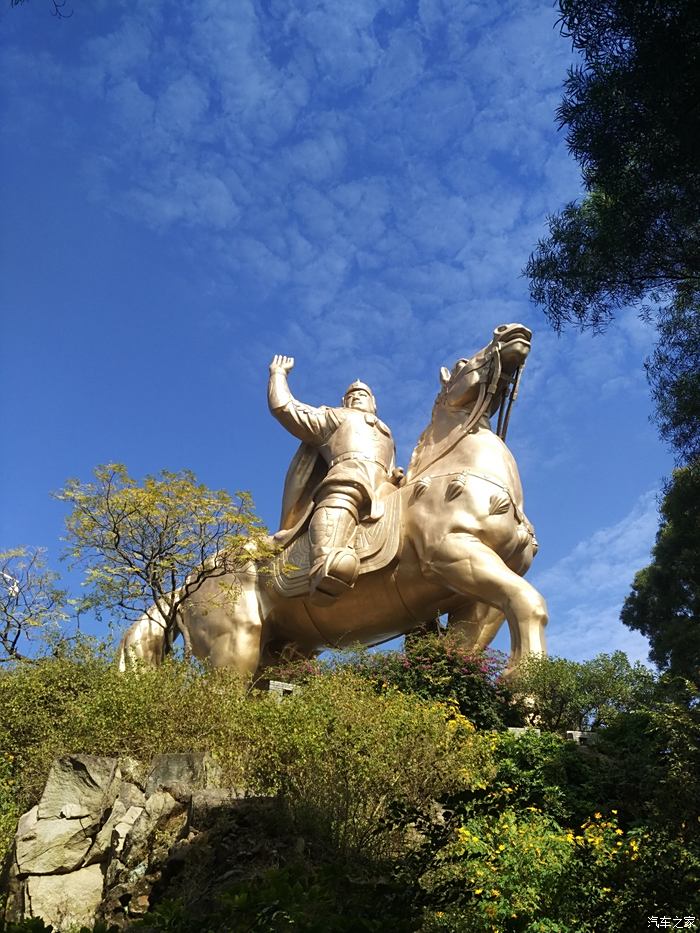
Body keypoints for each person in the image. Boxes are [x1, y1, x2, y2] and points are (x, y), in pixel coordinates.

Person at [268, 354, 401, 605]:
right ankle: (323, 564)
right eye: (351, 394)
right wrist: (278, 375)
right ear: (343, 401)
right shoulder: (334, 416)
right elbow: (285, 408)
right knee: (342, 491)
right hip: (348, 478)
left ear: (374, 403)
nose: (357, 395)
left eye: (363, 394)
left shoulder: (386, 432)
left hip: (383, 489)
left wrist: (394, 477)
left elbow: (388, 464)